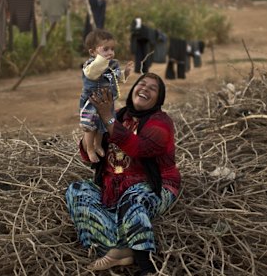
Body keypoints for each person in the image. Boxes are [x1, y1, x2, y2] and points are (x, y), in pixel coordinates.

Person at [66, 73, 181, 276]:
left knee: (133, 197)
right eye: (142, 84)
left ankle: (146, 265)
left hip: (154, 186)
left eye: (153, 88)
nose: (145, 89)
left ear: (159, 99)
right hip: (113, 190)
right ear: (133, 89)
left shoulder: (161, 123)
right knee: (77, 191)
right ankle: (117, 249)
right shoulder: (118, 116)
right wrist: (91, 125)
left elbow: (140, 148)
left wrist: (107, 117)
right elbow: (88, 154)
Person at [79, 29, 133, 163]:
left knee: (102, 125)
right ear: (92, 52)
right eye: (106, 49)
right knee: (90, 126)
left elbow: (115, 77)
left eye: (112, 49)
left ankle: (97, 145)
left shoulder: (112, 63)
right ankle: (90, 148)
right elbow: (93, 73)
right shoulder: (90, 65)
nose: (110, 53)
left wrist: (125, 73)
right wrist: (101, 59)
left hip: (107, 100)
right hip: (93, 101)